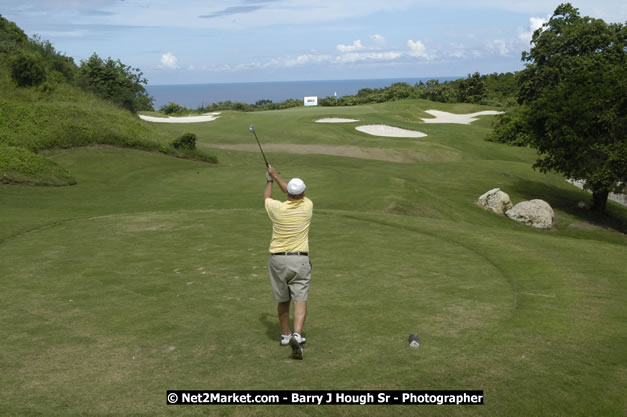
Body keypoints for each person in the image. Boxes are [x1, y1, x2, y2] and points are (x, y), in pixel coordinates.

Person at [264, 165, 313, 360]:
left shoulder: (277, 208)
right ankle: (297, 334)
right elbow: (289, 190)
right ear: (304, 193)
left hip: (278, 259)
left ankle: (285, 335)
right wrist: (276, 175)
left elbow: (267, 197)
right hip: (299, 259)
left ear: (288, 195)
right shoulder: (307, 206)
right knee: (300, 298)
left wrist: (269, 179)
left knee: (283, 299)